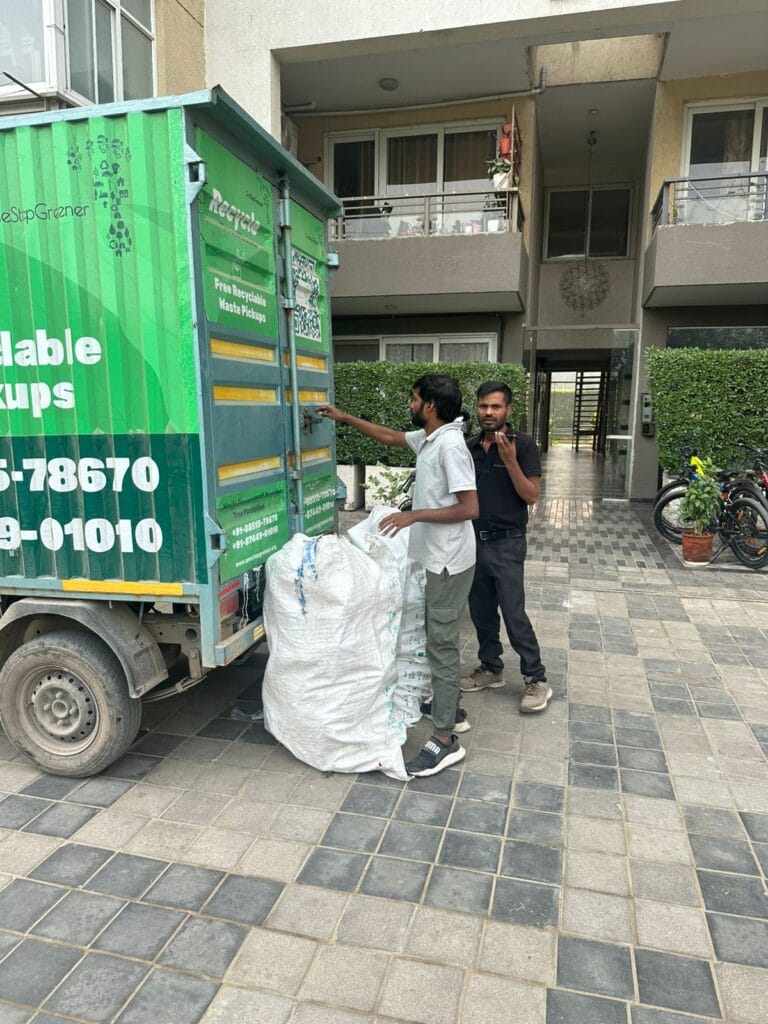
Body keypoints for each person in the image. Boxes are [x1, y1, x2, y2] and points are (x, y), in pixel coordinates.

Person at [318, 374, 478, 776]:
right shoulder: (430, 438)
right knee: (433, 635)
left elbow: (470, 507)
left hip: (449, 561)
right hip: (436, 558)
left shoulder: (451, 446)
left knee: (440, 642)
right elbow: (389, 438)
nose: (410, 404)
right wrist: (343, 417)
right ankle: (451, 709)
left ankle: (445, 739)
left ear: (429, 406)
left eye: (413, 399)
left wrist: (413, 515)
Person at [461, 380, 552, 714]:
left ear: (508, 410)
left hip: (507, 542)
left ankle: (536, 678)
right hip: (472, 541)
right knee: (481, 611)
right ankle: (491, 668)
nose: (488, 412)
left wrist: (510, 460)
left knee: (513, 613)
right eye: (483, 406)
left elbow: (531, 496)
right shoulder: (468, 447)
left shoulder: (524, 446)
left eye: (495, 407)